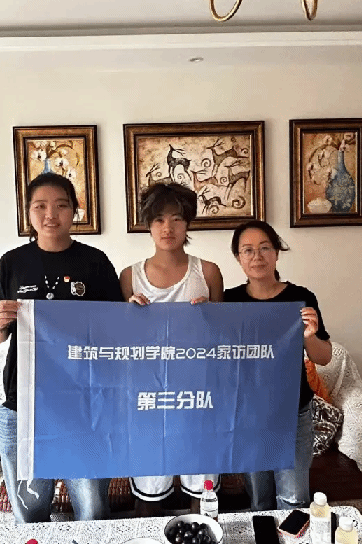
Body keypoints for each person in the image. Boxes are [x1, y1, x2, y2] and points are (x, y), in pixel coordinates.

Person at [0, 172, 123, 523]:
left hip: (84, 404)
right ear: (27, 212)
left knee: (92, 511)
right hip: (23, 403)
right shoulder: (11, 263)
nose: (50, 214)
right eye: (40, 206)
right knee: (29, 514)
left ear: (75, 210)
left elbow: (116, 330)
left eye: (61, 205)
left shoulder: (95, 262)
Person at [119, 182, 224, 517]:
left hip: (197, 392)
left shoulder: (208, 271)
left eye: (177, 219)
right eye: (159, 219)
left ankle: (203, 535)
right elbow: (120, 343)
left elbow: (223, 340)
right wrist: (130, 314)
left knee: (201, 487)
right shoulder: (129, 276)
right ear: (148, 225)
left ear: (188, 223)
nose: (168, 228)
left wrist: (209, 316)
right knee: (149, 489)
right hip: (148, 393)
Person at [223, 220, 332, 511]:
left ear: (276, 253)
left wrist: (309, 336)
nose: (257, 257)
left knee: (294, 500)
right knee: (259, 500)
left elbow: (324, 357)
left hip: (292, 412)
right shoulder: (228, 301)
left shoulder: (300, 298)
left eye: (264, 248)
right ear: (238, 257)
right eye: (248, 250)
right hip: (248, 415)